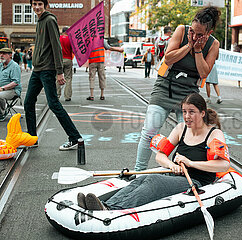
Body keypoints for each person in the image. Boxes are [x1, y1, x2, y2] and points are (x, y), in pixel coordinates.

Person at [78, 93, 230, 211]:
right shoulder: (180, 129)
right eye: (184, 112)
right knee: (141, 179)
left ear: (202, 113)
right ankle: (104, 204)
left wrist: (191, 163)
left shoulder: (214, 134)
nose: (187, 116)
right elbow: (160, 155)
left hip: (197, 181)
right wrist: (171, 165)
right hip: (176, 175)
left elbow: (223, 165)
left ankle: (112, 209)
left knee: (154, 181)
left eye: (192, 112)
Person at [134, 6, 221, 171]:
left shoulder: (213, 44)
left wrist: (197, 50)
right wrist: (188, 46)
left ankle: (177, 171)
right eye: (193, 32)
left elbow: (203, 72)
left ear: (208, 33)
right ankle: (138, 171)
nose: (195, 36)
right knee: (149, 131)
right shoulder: (182, 30)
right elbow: (168, 57)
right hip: (165, 87)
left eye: (200, 34)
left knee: (188, 136)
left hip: (189, 95)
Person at [24, 0, 82, 150]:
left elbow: (56, 46)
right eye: (34, 4)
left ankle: (74, 137)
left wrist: (59, 71)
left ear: (45, 5)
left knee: (54, 104)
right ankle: (32, 138)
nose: (37, 7)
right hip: (37, 69)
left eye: (40, 4)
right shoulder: (39, 22)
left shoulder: (49, 20)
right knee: (28, 102)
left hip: (47, 69)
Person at [0, 48, 22, 121]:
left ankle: (2, 113)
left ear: (10, 55)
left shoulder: (14, 66)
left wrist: (3, 88)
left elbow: (15, 82)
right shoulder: (1, 65)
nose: (1, 55)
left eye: (4, 54)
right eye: (0, 53)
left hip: (13, 90)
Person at [56, 26, 73, 101]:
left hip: (59, 60)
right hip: (68, 59)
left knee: (57, 77)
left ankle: (57, 94)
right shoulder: (70, 39)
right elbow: (73, 50)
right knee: (68, 78)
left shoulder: (58, 38)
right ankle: (67, 96)